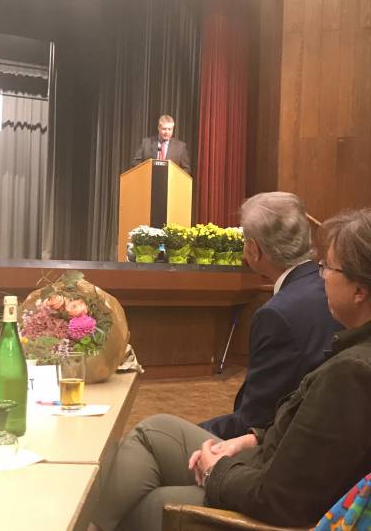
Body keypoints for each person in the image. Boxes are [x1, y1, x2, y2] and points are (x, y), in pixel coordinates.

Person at [89, 207, 371, 531]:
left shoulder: (352, 375)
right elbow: (320, 443)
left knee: (150, 502)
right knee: (154, 431)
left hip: (270, 504)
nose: (321, 277)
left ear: (359, 290)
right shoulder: (353, 358)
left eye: (327, 267)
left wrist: (215, 471)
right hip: (264, 461)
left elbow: (280, 499)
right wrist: (252, 439)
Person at [200, 191, 341, 439]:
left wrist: (197, 430)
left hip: (279, 445)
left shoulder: (277, 315)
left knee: (153, 434)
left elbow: (254, 420)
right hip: (327, 434)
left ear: (253, 250)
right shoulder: (334, 288)